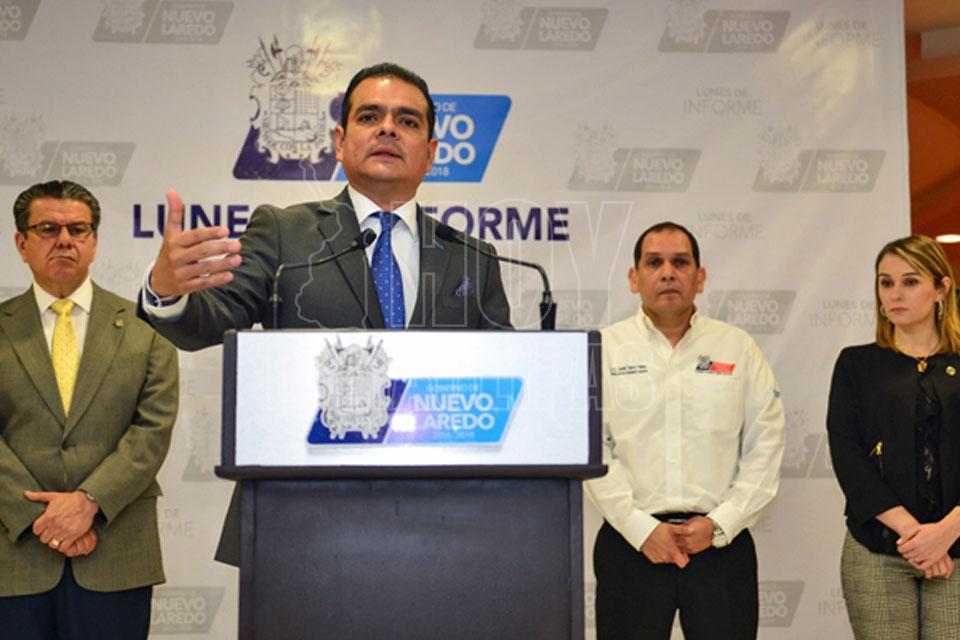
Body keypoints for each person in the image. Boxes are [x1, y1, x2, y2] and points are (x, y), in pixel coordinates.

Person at [138, 62, 512, 565]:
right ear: (339, 141)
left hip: (442, 521)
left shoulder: (472, 258)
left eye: (407, 121)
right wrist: (167, 292)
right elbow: (212, 319)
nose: (387, 129)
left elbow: (503, 380)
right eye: (369, 117)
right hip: (300, 514)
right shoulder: (284, 232)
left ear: (431, 153)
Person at [585, 221, 785, 640]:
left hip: (720, 548)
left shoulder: (738, 348)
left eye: (680, 262)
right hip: (631, 547)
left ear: (700, 277)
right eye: (654, 263)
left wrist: (719, 524)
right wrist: (640, 528)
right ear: (634, 278)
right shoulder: (603, 348)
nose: (668, 273)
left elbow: (765, 444)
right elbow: (591, 449)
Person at [0, 180, 179, 639]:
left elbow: (152, 432)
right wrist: (46, 521)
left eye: (77, 229)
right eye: (47, 229)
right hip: (12, 555)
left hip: (115, 553)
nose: (64, 240)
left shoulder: (147, 328)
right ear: (21, 243)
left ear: (94, 242)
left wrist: (89, 502)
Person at [827, 234, 960, 639]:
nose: (895, 294)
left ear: (941, 288)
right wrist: (914, 534)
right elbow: (848, 456)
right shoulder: (856, 365)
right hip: (878, 550)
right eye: (886, 283)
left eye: (910, 281)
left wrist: (946, 532)